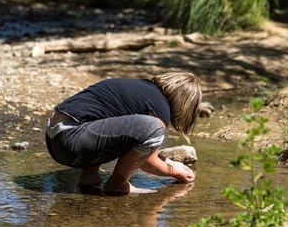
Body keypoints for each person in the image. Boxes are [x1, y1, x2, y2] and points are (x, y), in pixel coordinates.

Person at [45, 72, 202, 195]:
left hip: (55, 139)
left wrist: (169, 162)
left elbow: (142, 150)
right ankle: (118, 184)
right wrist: (175, 172)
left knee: (111, 117)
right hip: (72, 141)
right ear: (184, 104)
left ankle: (89, 177)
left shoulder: (140, 89)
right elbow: (147, 163)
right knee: (153, 129)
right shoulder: (161, 107)